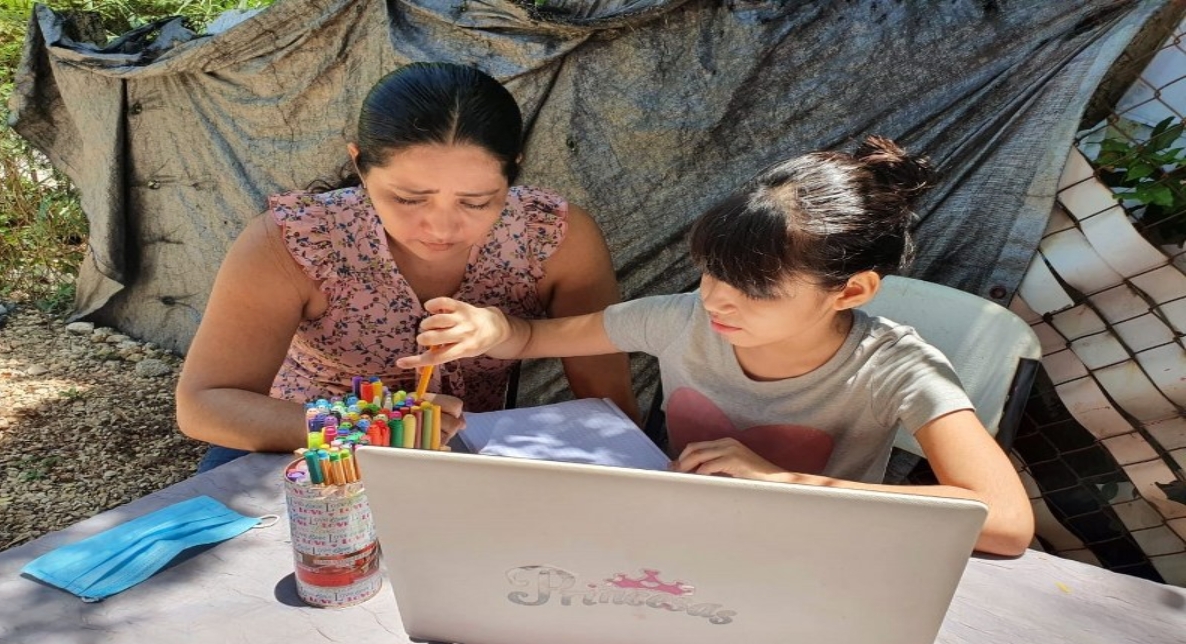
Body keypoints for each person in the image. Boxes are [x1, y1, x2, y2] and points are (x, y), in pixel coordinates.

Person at [397, 136, 1035, 556]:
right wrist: (491, 330)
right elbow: (533, 335)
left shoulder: (896, 366)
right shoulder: (682, 319)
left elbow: (1005, 522)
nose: (717, 300)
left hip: (810, 559)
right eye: (712, 272)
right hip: (673, 544)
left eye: (756, 289)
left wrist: (782, 482)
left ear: (851, 291)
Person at [177, 62, 637, 471]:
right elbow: (205, 404)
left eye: (476, 202)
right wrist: (373, 428)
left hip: (459, 453)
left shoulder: (550, 235)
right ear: (360, 164)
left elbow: (609, 409)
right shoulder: (299, 239)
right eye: (407, 198)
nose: (440, 227)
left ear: (513, 171)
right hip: (302, 447)